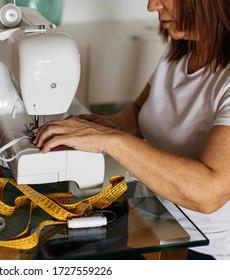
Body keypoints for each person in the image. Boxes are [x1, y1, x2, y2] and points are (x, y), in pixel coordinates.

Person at [33, 0, 230, 260]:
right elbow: (139, 111)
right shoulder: (183, 47)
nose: (151, 6)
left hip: (197, 247)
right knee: (41, 248)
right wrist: (106, 126)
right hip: (149, 215)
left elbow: (208, 193)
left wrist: (110, 140)